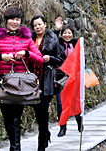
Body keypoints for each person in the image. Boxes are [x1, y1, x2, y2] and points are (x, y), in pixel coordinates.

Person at [0, 7, 44, 151]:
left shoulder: (27, 40)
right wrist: (0, 56)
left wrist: (27, 54)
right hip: (3, 82)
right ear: (6, 21)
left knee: (16, 117)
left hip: (21, 83)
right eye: (12, 19)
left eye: (17, 20)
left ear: (21, 22)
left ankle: (15, 148)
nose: (14, 22)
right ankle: (15, 146)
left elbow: (39, 59)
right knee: (7, 117)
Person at [31, 15, 65, 150]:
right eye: (35, 25)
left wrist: (49, 58)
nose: (38, 27)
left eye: (40, 24)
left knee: (43, 109)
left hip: (47, 80)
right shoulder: (30, 40)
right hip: (32, 80)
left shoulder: (53, 40)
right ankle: (46, 132)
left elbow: (60, 59)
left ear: (45, 24)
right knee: (37, 111)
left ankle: (41, 144)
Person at [54, 20, 83, 137]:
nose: (67, 35)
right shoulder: (57, 44)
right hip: (61, 77)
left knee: (76, 101)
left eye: (69, 33)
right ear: (61, 34)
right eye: (65, 33)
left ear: (73, 34)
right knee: (61, 103)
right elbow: (51, 39)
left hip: (74, 77)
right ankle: (62, 127)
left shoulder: (77, 45)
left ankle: (79, 123)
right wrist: (56, 29)